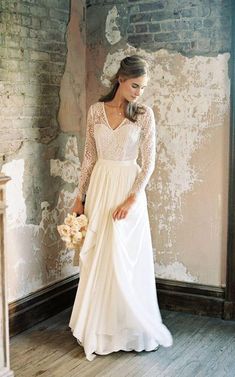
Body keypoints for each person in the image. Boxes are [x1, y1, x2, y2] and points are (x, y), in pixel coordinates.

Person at [69, 55, 173, 361]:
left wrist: (131, 199)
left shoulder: (144, 115)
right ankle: (99, 330)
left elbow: (149, 163)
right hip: (100, 185)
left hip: (128, 188)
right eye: (135, 85)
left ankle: (130, 331)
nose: (139, 92)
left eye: (143, 87)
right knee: (100, 255)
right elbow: (89, 158)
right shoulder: (95, 112)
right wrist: (80, 196)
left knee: (125, 259)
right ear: (121, 79)